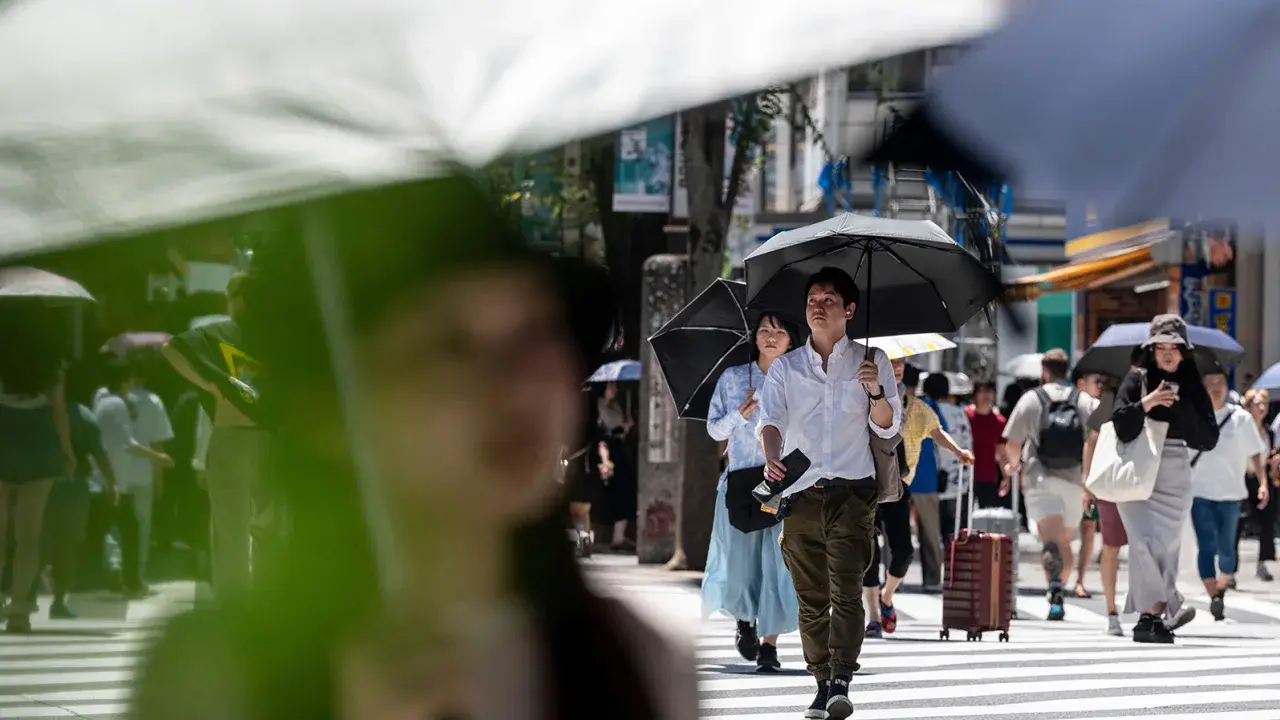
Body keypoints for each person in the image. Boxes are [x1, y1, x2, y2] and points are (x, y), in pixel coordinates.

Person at [132, 177, 696, 720]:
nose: (516, 386)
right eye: (450, 346)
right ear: (329, 408)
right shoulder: (211, 674)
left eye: (535, 330)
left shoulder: (638, 661)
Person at [758, 266, 901, 720]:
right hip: (799, 492)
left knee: (846, 590)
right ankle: (820, 681)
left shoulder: (872, 359)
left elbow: (889, 425)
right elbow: (771, 420)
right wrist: (771, 456)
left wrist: (875, 390)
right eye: (812, 299)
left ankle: (841, 679)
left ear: (850, 309)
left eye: (829, 299)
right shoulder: (786, 366)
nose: (818, 306)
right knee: (811, 597)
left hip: (853, 492)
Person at [1110, 315, 1219, 643]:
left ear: (1184, 351)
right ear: (1151, 349)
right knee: (1142, 542)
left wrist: (1181, 406)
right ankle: (1157, 612)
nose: (1168, 354)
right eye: (1161, 347)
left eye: (1175, 348)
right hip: (1137, 468)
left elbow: (1208, 438)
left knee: (1166, 546)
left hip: (1174, 468)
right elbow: (1119, 423)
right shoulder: (1137, 378)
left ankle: (1150, 618)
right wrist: (1148, 403)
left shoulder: (1193, 386)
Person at [702, 313, 799, 673]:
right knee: (741, 565)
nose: (771, 337)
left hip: (782, 486)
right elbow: (714, 431)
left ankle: (769, 645)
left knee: (779, 565)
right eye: (764, 331)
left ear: (791, 339)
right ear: (753, 337)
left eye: (779, 331)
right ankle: (744, 620)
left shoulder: (798, 378)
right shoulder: (732, 378)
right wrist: (740, 415)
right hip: (741, 485)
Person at [164, 274, 269, 603]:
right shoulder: (280, 336)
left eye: (230, 293)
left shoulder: (223, 332)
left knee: (230, 532)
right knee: (271, 527)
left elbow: (171, 347)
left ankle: (234, 607)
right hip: (275, 440)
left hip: (231, 437)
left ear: (240, 297)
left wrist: (210, 384)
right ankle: (271, 605)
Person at [1002, 349, 1099, 621]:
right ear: (1067, 371)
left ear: (1044, 370)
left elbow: (1012, 443)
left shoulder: (1031, 399)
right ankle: (1060, 585)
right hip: (1074, 481)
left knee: (1050, 541)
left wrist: (1013, 465)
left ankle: (1054, 586)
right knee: (1065, 540)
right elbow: (1098, 438)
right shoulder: (1085, 401)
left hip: (1039, 478)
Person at [0, 323, 75, 631]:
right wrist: (67, 451)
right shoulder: (51, 364)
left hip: (4, 433)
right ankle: (19, 609)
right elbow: (60, 411)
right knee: (28, 535)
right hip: (38, 441)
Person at [29, 361, 118, 619]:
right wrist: (112, 484)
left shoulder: (30, 415)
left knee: (34, 544)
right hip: (71, 488)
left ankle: (27, 597)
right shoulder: (82, 415)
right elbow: (99, 455)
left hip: (38, 488)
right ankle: (57, 600)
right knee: (66, 546)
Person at [1190, 369, 1269, 621]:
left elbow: (1255, 452)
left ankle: (1221, 590)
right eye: (1210, 382)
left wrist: (1263, 482)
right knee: (1206, 546)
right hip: (1199, 493)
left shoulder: (1240, 418)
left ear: (1227, 387)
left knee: (1227, 550)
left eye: (1220, 382)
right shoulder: (1194, 416)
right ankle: (1213, 596)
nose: (1215, 386)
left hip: (1231, 494)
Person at [94, 357, 174, 598]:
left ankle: (122, 571)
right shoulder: (118, 404)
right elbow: (127, 443)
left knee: (121, 527)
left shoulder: (102, 398)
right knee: (133, 528)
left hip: (112, 477)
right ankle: (132, 579)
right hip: (116, 479)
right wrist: (158, 458)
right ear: (125, 379)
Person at [1083, 373, 1132, 637]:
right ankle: (1112, 611)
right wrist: (1087, 483)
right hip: (1114, 481)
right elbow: (1091, 441)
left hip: (1131, 482)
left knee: (1126, 548)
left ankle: (1135, 609)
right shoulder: (1110, 401)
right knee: (1113, 547)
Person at [1237, 388, 1278, 582]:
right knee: (1237, 524)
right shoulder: (1241, 428)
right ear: (1248, 406)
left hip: (1263, 480)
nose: (1262, 408)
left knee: (1267, 522)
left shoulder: (1269, 431)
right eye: (1257, 404)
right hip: (1242, 479)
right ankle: (1230, 569)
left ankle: (1262, 563)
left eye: (1265, 404)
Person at [1072, 370, 1104, 600]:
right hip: (1076, 475)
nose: (1099, 386)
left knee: (1088, 530)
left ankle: (1079, 580)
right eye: (1096, 382)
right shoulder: (1079, 406)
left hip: (1094, 477)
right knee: (1078, 531)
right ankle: (1068, 578)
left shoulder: (1101, 408)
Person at [966, 380, 1007, 509]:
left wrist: (1006, 478)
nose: (986, 396)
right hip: (966, 475)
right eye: (982, 392)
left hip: (988, 476)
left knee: (986, 517)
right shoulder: (965, 415)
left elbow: (1001, 451)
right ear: (975, 395)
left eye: (989, 392)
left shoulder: (999, 421)